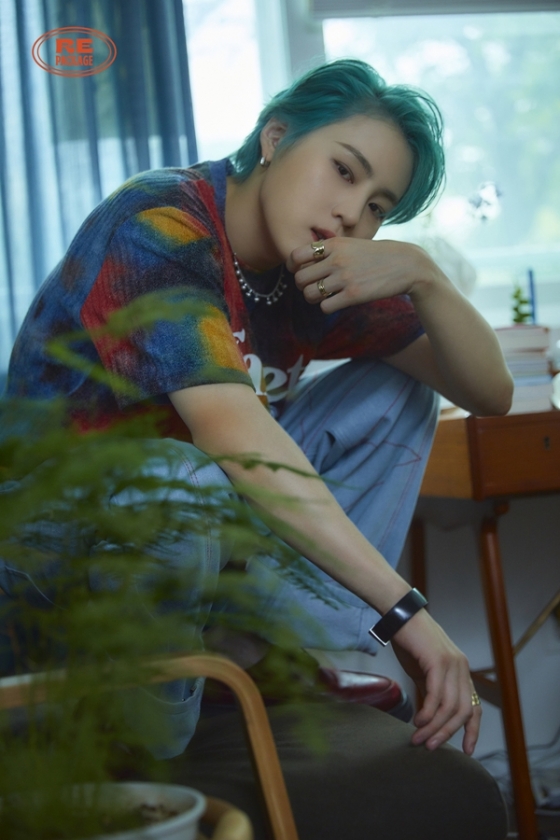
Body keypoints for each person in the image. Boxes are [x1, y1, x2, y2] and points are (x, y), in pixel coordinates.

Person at [4, 58, 512, 771]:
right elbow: (231, 434)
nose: (353, 213)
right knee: (185, 473)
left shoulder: (310, 271)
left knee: (397, 393)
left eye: (378, 206)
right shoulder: (158, 223)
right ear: (276, 138)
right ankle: (151, 733)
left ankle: (261, 645)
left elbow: (490, 393)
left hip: (186, 530)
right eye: (344, 170)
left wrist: (424, 276)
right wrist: (405, 612)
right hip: (50, 550)